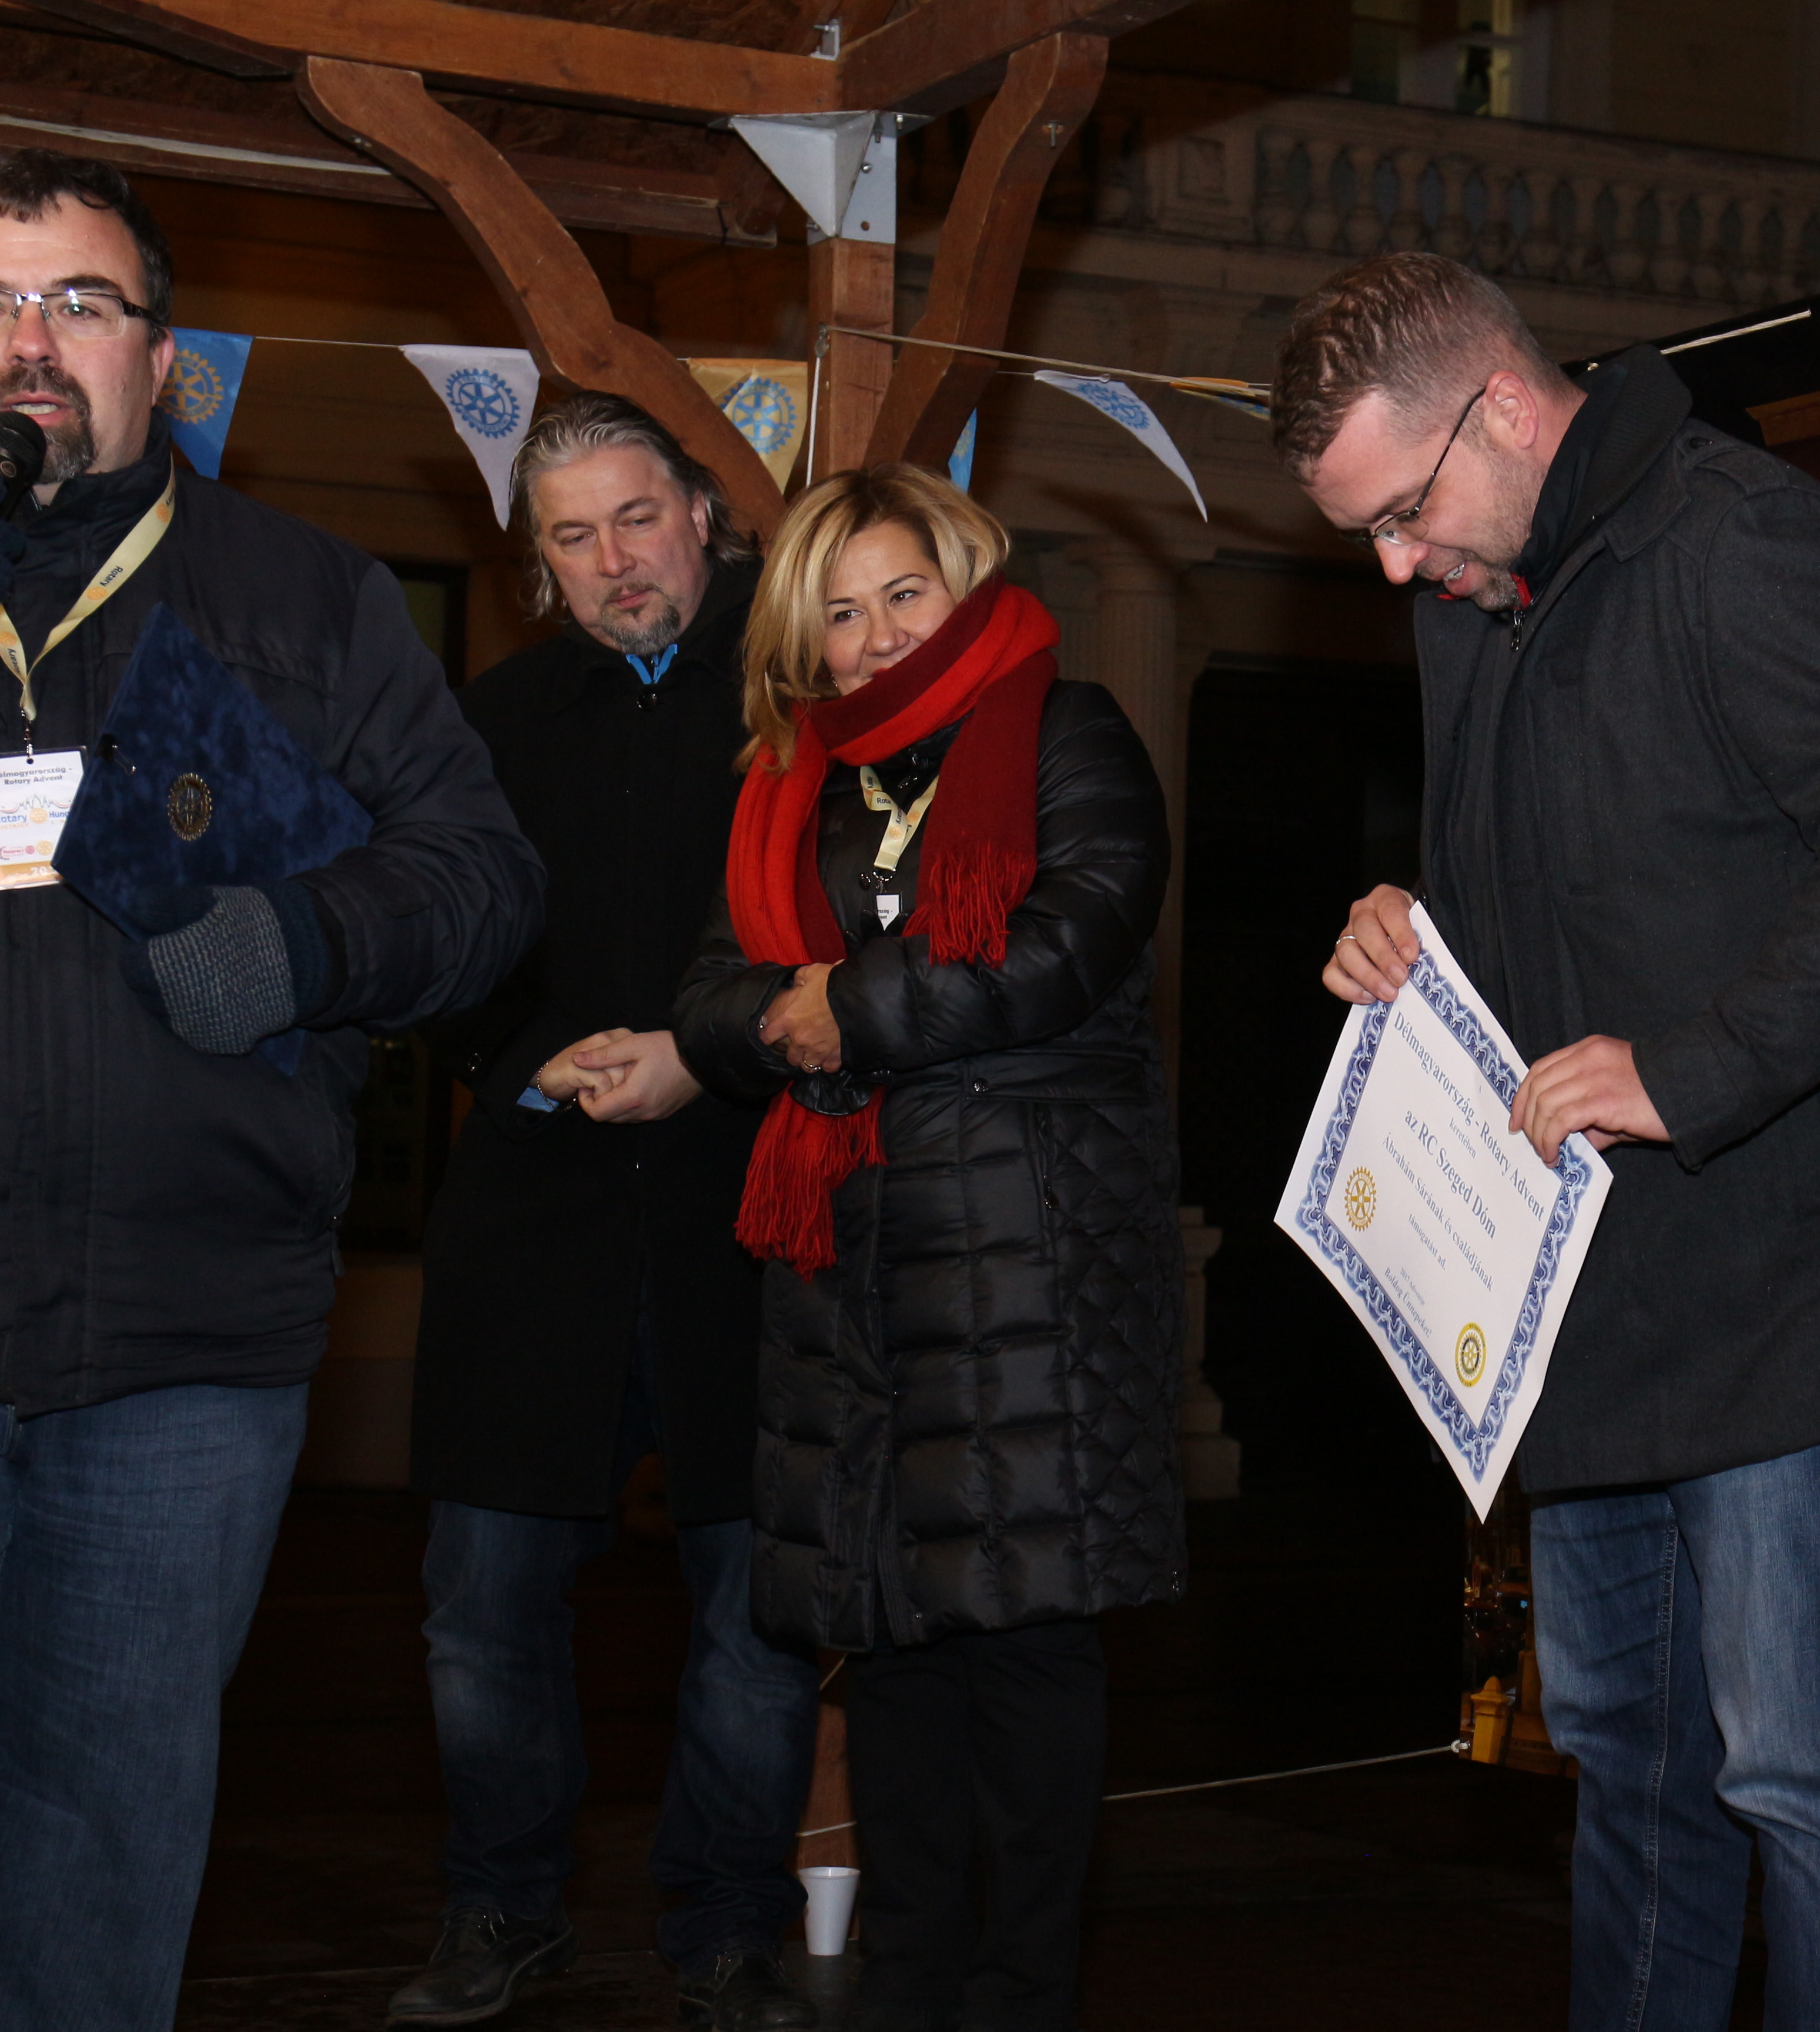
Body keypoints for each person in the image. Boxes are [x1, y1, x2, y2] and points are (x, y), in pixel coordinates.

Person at [1277, 252, 1820, 2030]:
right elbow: (1541, 900)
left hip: (1790, 1286)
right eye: (1365, 537)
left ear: (1504, 409)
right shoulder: (1471, 598)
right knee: (1625, 1757)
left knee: (1800, 1772)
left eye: (1401, 512)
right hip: (1585, 1306)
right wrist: (1406, 935)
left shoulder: (1738, 538)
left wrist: (1693, 1069)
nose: (1393, 566)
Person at [0, 150, 543, 2031]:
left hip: (187, 1350)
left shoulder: (303, 597)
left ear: (162, 360)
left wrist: (302, 942)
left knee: (106, 1846)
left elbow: (485, 882)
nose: (31, 344)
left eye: (78, 303)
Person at [670, 464, 1183, 2032]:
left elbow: (1069, 938)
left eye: (903, 593)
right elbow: (711, 997)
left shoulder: (1071, 729)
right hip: (849, 1277)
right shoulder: (793, 783)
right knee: (886, 1644)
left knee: (1024, 1647)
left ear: (962, 581)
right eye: (841, 614)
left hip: (1032, 1263)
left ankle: (1019, 1998)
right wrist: (786, 1016)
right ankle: (903, 1993)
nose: (878, 634)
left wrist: (846, 1005)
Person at [392, 396, 821, 2031]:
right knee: (481, 1605)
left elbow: (864, 940)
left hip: (751, 1204)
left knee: (757, 1610)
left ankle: (730, 1929)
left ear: (703, 513)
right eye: (572, 537)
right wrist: (524, 1060)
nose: (613, 561)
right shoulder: (487, 719)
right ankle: (501, 1909)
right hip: (534, 1215)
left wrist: (706, 1057)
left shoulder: (805, 701)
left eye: (636, 518)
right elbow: (423, 942)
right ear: (540, 563)